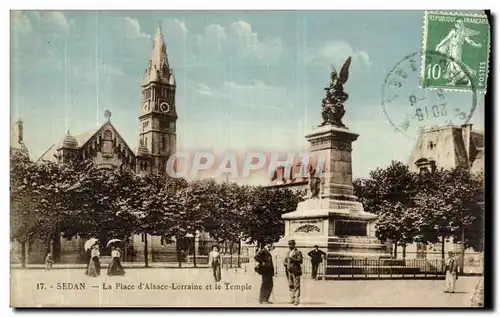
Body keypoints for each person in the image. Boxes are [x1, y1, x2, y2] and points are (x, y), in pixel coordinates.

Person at [254, 240, 274, 304]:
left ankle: (265, 299)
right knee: (265, 285)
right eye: (271, 244)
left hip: (269, 271)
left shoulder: (267, 251)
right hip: (265, 270)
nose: (272, 246)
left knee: (269, 285)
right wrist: (262, 262)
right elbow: (256, 257)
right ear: (268, 244)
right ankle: (261, 299)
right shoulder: (263, 250)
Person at [284, 240, 303, 305]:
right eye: (289, 244)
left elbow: (300, 261)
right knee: (290, 285)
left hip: (296, 270)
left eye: (291, 244)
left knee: (296, 285)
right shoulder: (288, 252)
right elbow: (286, 259)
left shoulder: (298, 252)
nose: (289, 246)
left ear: (294, 245)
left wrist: (293, 259)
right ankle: (292, 298)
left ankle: (297, 300)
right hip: (289, 271)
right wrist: (285, 263)